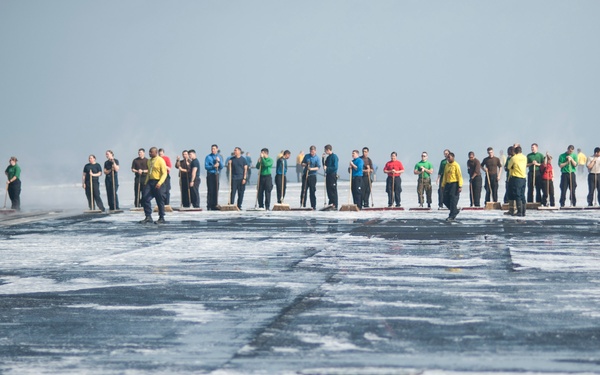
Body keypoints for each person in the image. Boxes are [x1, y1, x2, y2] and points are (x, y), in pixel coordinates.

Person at [140, 147, 168, 224]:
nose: (149, 153)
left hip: (158, 181)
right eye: (149, 152)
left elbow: (164, 173)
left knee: (159, 200)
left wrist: (160, 183)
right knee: (145, 198)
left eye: (151, 152)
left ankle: (161, 217)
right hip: (150, 181)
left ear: (156, 152)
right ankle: (148, 216)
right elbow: (149, 172)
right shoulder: (149, 161)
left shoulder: (160, 160)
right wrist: (145, 183)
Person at [506, 145, 527, 216]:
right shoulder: (525, 157)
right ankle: (524, 211)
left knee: (517, 195)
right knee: (522, 195)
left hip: (516, 177)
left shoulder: (513, 158)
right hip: (523, 177)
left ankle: (519, 211)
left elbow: (508, 167)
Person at [441, 152, 462, 221]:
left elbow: (459, 176)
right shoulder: (447, 165)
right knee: (444, 199)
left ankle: (452, 215)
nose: (448, 158)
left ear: (453, 157)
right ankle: (454, 210)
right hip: (448, 183)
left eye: (449, 157)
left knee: (453, 199)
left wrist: (460, 186)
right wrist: (443, 185)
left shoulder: (456, 165)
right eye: (447, 157)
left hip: (454, 183)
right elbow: (444, 175)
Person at [205, 144, 223, 210]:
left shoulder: (219, 157)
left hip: (216, 174)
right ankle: (209, 205)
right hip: (210, 175)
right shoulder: (208, 157)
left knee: (216, 190)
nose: (213, 150)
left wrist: (219, 162)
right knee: (210, 190)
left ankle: (215, 204)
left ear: (217, 149)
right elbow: (206, 167)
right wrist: (213, 166)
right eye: (212, 149)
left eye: (214, 149)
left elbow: (221, 166)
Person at [324, 144, 339, 209]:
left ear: (328, 150)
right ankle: (330, 203)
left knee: (333, 190)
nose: (325, 151)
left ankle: (335, 204)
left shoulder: (334, 156)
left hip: (332, 175)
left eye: (325, 150)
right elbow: (325, 165)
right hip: (328, 175)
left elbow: (335, 167)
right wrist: (323, 158)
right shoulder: (328, 157)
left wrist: (327, 168)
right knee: (329, 190)